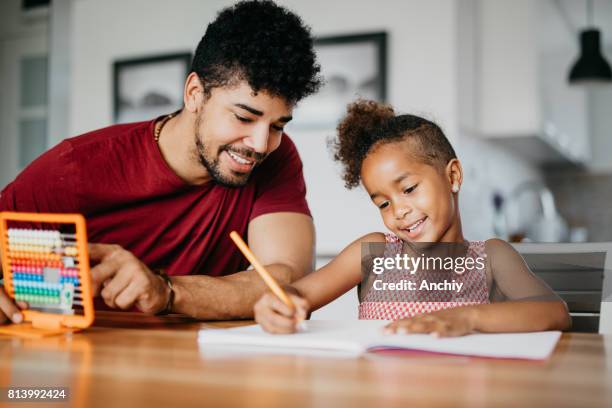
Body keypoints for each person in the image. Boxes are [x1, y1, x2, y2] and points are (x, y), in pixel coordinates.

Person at [0, 0, 322, 324]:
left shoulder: (276, 160)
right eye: (243, 117)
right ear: (195, 93)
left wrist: (166, 291)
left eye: (278, 125)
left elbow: (286, 278)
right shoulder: (75, 166)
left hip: (198, 364)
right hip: (75, 358)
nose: (261, 144)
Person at [254, 100, 571, 336]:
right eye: (382, 203)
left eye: (408, 189)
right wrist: (279, 303)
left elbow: (554, 312)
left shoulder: (491, 256)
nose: (398, 212)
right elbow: (300, 296)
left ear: (454, 176)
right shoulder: (375, 253)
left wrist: (468, 318)